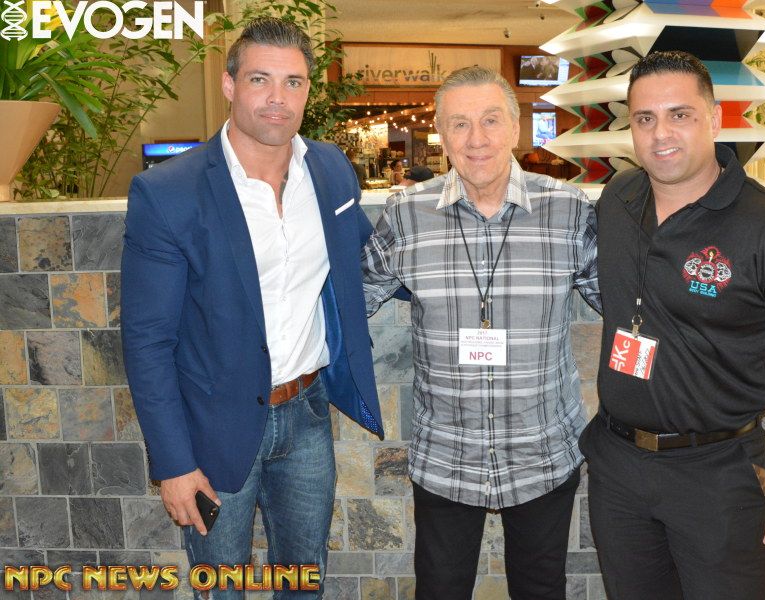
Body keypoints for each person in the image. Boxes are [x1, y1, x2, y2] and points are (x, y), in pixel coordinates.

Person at [120, 17, 386, 599]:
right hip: (212, 429)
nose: (277, 98)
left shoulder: (331, 170)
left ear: (308, 91)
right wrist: (173, 463)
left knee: (305, 580)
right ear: (230, 85)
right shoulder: (169, 192)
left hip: (308, 414)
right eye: (260, 79)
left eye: (293, 82)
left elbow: (369, 257)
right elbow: (147, 341)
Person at [581, 51, 765, 600]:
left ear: (716, 118)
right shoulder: (618, 198)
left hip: (717, 475)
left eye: (679, 115)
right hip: (619, 466)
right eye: (645, 118)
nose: (661, 134)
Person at [361, 66, 600, 600]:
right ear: (441, 135)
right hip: (447, 454)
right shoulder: (406, 214)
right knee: (440, 590)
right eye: (460, 124)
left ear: (515, 127)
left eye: (491, 121)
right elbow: (354, 301)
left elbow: (621, 299)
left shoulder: (568, 209)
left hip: (541, 451)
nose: (476, 139)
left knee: (542, 590)